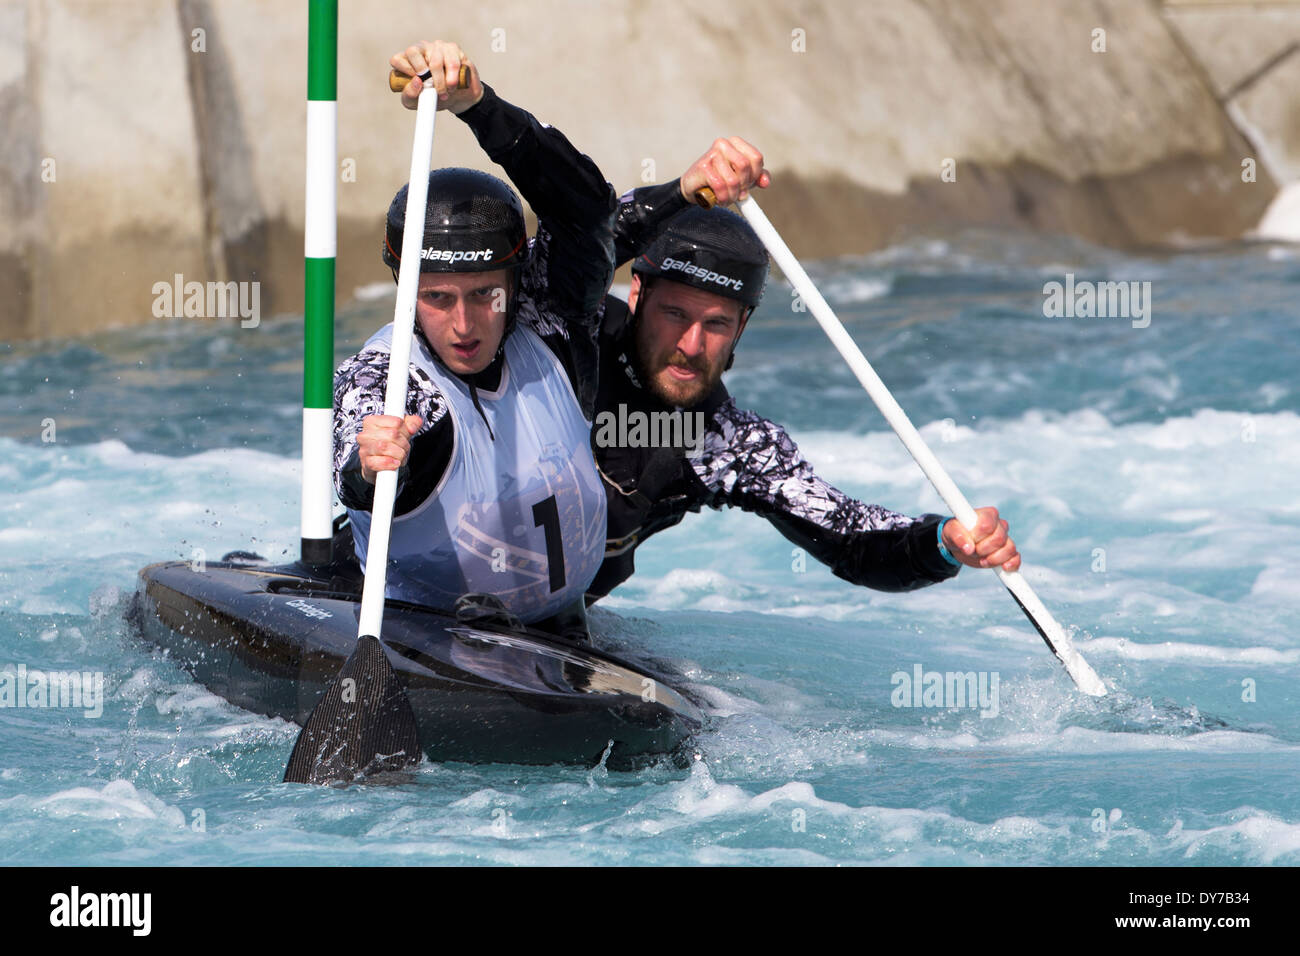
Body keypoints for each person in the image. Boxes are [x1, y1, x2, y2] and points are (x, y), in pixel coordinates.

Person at [586, 137, 1020, 604]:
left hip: (556, 625)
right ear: (637, 295)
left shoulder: (724, 442)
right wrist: (679, 193)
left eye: (716, 324)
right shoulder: (563, 336)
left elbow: (851, 540)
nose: (691, 346)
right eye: (674, 314)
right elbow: (567, 247)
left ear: (742, 325)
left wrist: (944, 544)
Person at [332, 41, 613, 635]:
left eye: (485, 295)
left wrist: (479, 107)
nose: (464, 325)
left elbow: (586, 211)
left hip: (566, 631)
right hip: (429, 643)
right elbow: (353, 464)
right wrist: (369, 466)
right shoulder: (386, 381)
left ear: (514, 284)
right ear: (407, 290)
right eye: (438, 298)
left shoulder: (545, 317)